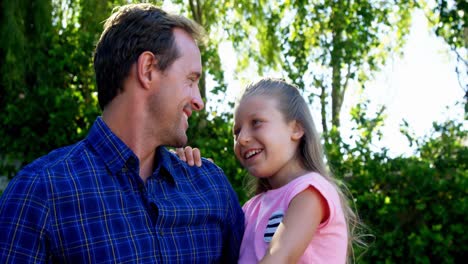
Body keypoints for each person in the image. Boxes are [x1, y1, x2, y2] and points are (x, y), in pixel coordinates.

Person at [0, 3, 244, 263]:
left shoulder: (211, 187)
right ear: (148, 69)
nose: (199, 101)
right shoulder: (39, 194)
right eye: (191, 80)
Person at [178, 78, 364, 263]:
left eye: (256, 122)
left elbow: (280, 257)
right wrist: (195, 177)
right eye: (237, 131)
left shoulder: (311, 191)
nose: (242, 139)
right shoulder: (251, 208)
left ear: (296, 129)